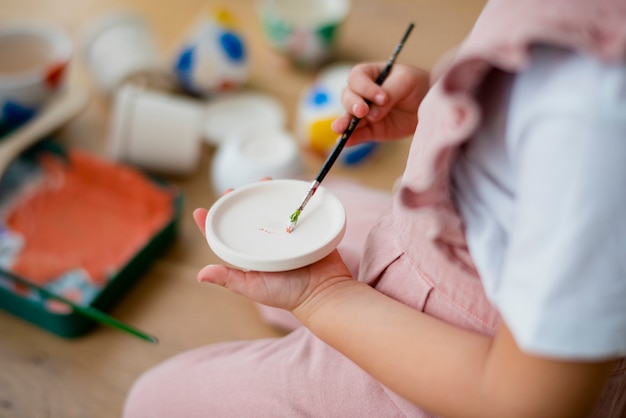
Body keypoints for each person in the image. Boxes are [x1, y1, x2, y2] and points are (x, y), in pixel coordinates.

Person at [123, 0, 626, 416]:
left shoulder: (594, 116)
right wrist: (442, 101)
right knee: (317, 217)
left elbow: (521, 404)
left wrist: (325, 298)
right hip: (454, 246)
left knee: (152, 402)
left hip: (478, 377)